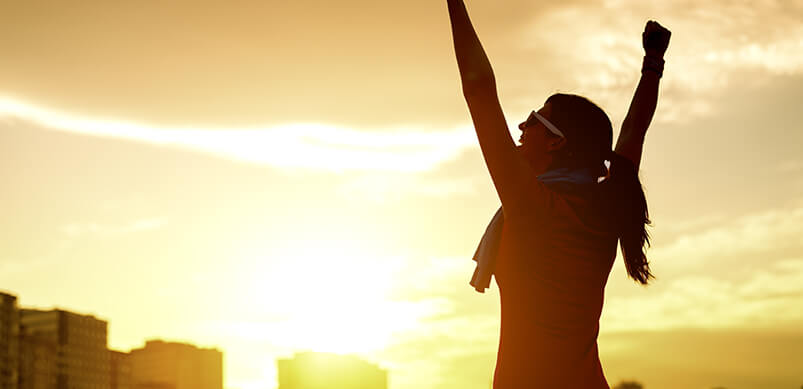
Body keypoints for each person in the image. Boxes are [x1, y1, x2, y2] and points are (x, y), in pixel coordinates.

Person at [446, 1, 671, 388]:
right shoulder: (607, 205)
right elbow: (634, 132)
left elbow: (478, 88)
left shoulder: (532, 206)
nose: (520, 125)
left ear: (556, 143)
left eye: (534, 119)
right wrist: (652, 63)